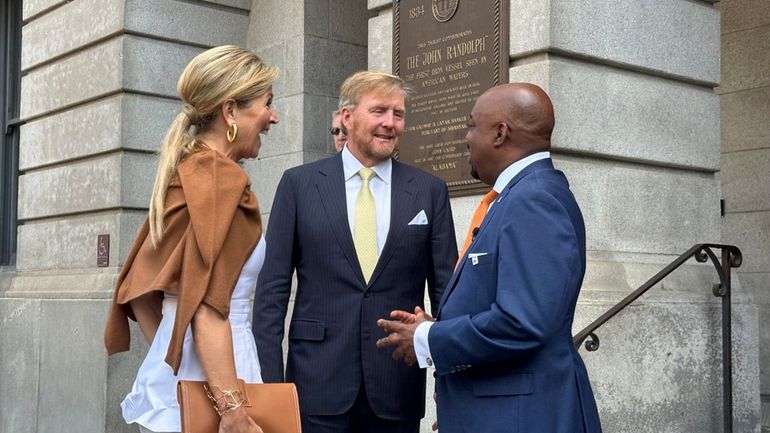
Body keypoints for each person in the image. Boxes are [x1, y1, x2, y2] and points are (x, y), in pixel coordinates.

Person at [376, 83, 603, 433]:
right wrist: (437, 325)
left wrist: (427, 340)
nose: (466, 138)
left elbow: (522, 322)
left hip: (523, 418)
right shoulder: (519, 196)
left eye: (471, 125)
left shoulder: (534, 200)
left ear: (500, 133)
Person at [252, 70, 457, 433]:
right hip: (315, 387)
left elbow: (446, 295)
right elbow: (271, 295)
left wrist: (452, 383)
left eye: (399, 114)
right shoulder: (299, 185)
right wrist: (270, 389)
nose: (390, 123)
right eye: (379, 111)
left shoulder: (429, 191)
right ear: (347, 117)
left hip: (396, 388)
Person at [104, 45, 279, 433]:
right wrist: (233, 412)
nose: (273, 117)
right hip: (224, 381)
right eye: (267, 103)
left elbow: (139, 289)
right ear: (230, 111)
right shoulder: (222, 182)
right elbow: (207, 309)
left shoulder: (185, 172)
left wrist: (175, 348)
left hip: (177, 383)